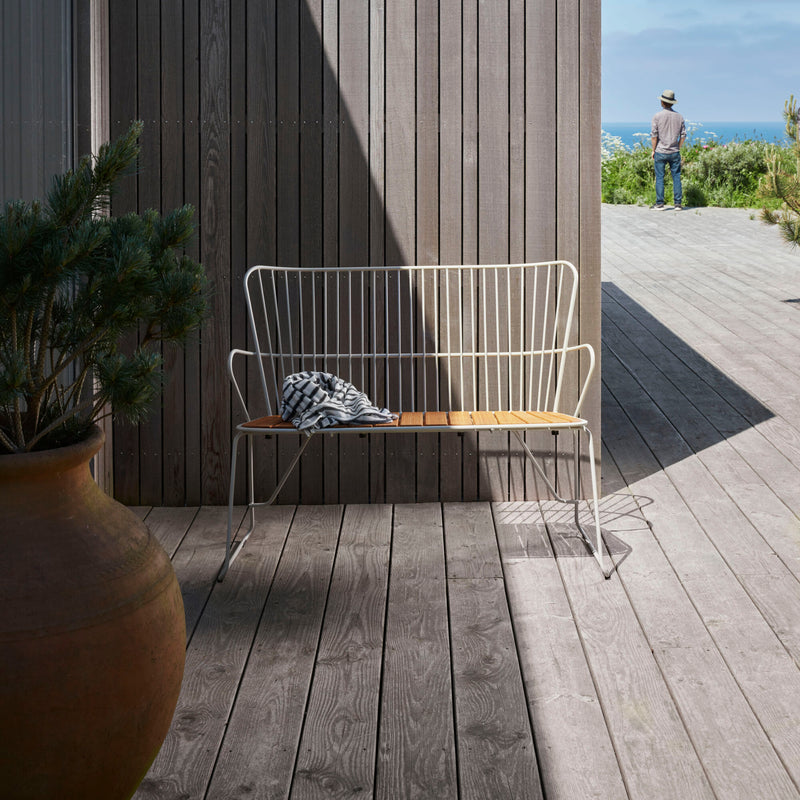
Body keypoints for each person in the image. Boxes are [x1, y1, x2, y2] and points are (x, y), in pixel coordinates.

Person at [651, 90, 686, 210]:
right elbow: (683, 135)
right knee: (676, 177)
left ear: (662, 102)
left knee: (660, 177)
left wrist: (653, 150)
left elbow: (654, 135)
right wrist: (678, 147)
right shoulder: (679, 117)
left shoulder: (657, 116)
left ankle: (660, 203)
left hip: (661, 151)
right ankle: (678, 204)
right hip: (674, 151)